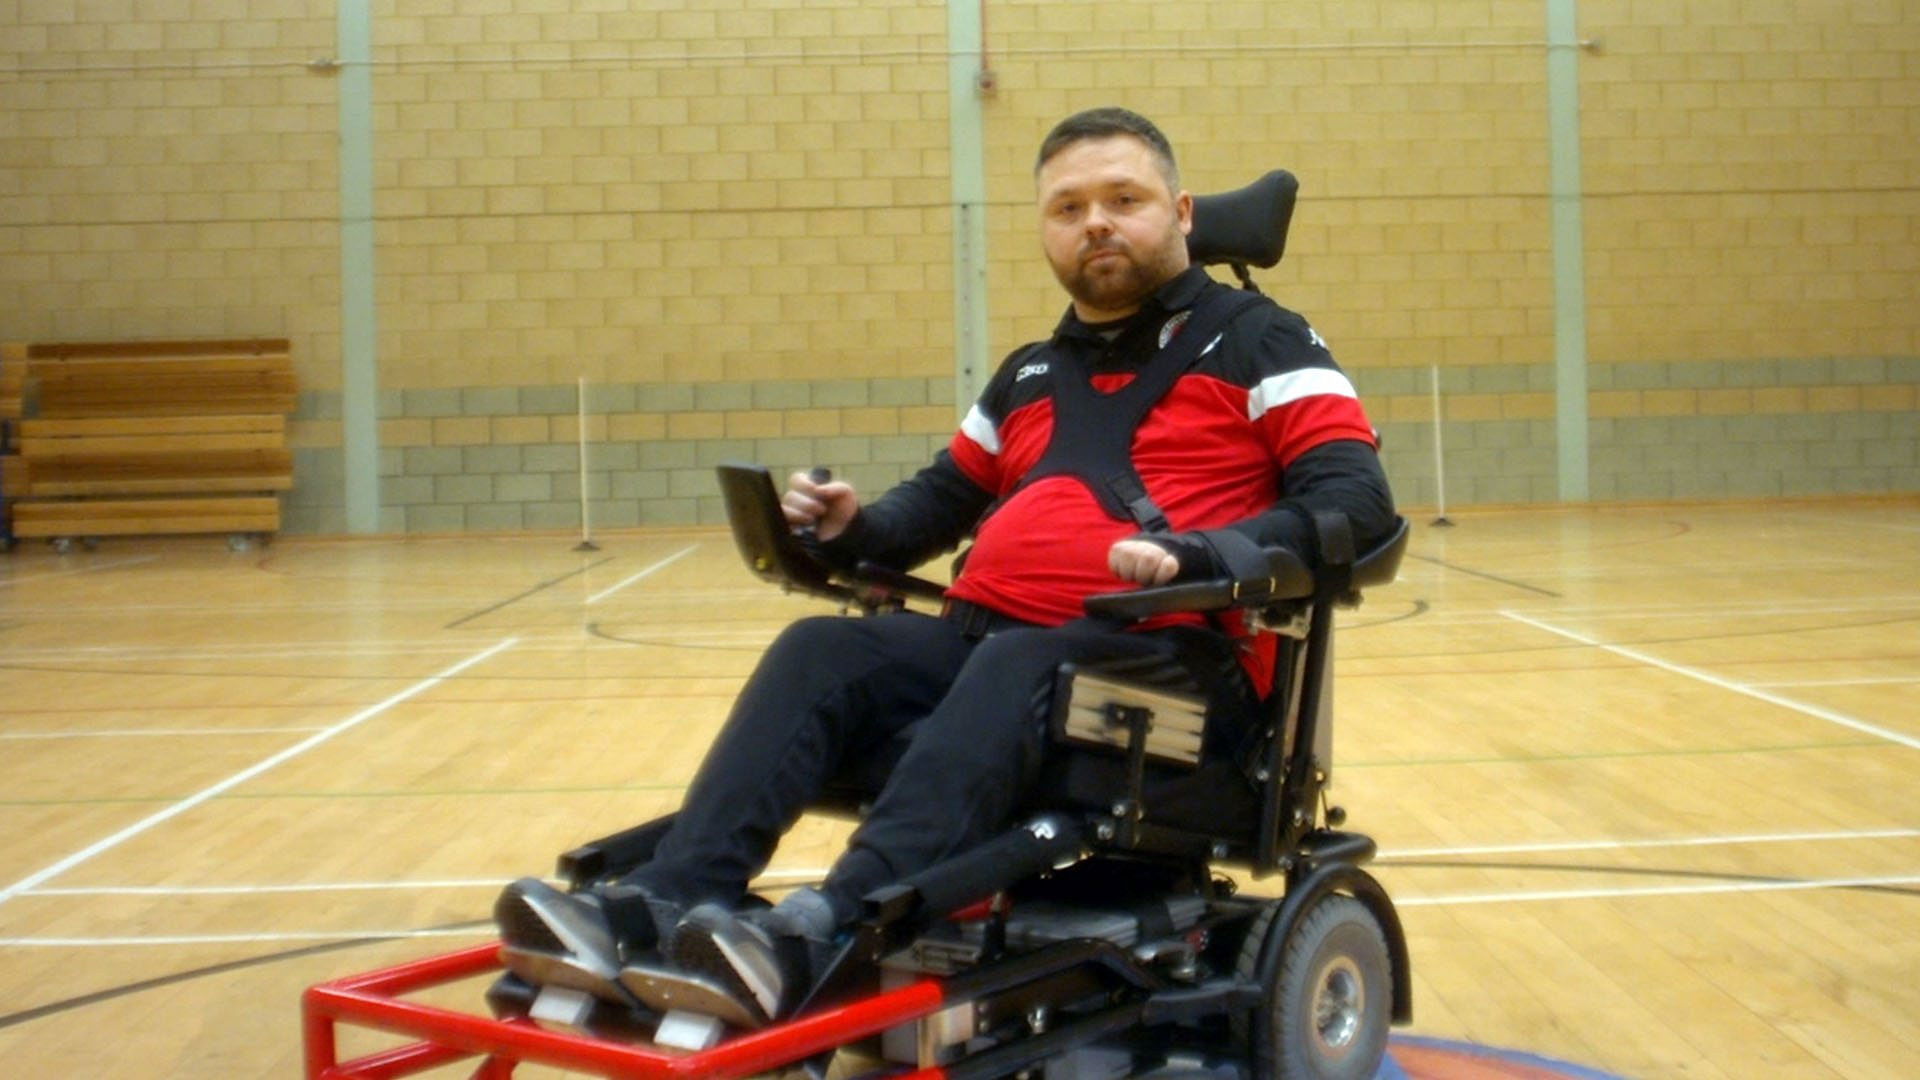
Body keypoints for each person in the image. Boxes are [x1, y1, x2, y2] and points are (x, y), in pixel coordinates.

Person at [495, 106, 1395, 1026]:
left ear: (1183, 213)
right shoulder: (1030, 373)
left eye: (1124, 198)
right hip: (998, 658)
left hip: (1172, 689)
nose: (1096, 222)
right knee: (822, 650)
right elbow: (935, 504)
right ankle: (669, 898)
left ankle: (825, 931)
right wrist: (855, 530)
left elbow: (1356, 506)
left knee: (1019, 661)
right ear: (1044, 230)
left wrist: (1204, 551)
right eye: (1067, 206)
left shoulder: (1265, 341)